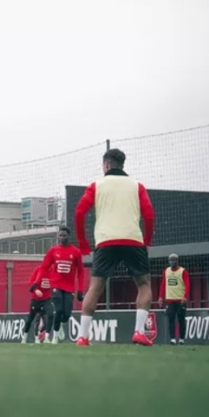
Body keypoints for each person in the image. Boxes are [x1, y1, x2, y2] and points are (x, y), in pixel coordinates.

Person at [74, 148, 155, 346]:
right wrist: (147, 241)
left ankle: (83, 337)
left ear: (107, 165)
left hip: (105, 241)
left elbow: (79, 212)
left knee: (95, 287)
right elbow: (149, 215)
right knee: (144, 285)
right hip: (133, 240)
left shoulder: (96, 185)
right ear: (122, 165)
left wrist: (84, 244)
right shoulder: (137, 186)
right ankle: (138, 332)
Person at [39, 226, 84, 344]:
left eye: (64, 235)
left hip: (69, 287)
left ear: (68, 236)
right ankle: (55, 337)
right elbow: (44, 267)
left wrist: (80, 290)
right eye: (60, 235)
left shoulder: (76, 252)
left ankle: (61, 327)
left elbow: (81, 272)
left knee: (67, 314)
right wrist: (38, 282)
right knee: (58, 310)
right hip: (56, 285)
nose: (62, 237)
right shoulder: (53, 251)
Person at [158, 253, 190, 345]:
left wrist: (185, 296)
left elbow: (187, 285)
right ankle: (172, 338)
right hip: (170, 299)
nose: (172, 262)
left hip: (180, 300)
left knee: (181, 319)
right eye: (171, 260)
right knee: (171, 319)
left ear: (177, 261)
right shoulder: (166, 271)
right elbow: (163, 284)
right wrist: (161, 297)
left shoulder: (183, 271)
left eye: (174, 260)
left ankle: (181, 339)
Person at [22, 263, 55, 344]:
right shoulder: (39, 270)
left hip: (46, 299)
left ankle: (47, 337)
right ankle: (24, 337)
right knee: (30, 319)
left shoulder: (53, 271)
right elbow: (31, 282)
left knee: (50, 314)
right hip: (36, 299)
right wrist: (36, 290)